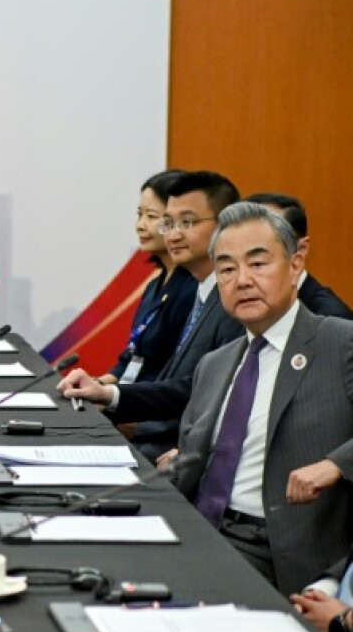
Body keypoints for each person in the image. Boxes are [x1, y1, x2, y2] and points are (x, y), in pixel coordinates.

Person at [171, 202, 353, 595]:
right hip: (200, 532)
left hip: (278, 548)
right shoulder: (214, 365)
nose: (242, 280)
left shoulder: (340, 342)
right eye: (227, 269)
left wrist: (335, 464)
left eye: (258, 263)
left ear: (296, 263)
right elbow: (189, 466)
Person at [58, 171, 243, 459]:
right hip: (155, 436)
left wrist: (114, 401)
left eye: (188, 222)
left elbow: (203, 394)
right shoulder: (201, 293)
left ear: (226, 226)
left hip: (178, 451)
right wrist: (107, 394)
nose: (174, 234)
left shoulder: (234, 302)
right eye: (168, 223)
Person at [243, 192, 353, 319]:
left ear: (300, 249)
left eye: (258, 260)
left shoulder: (333, 321)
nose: (242, 279)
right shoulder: (240, 305)